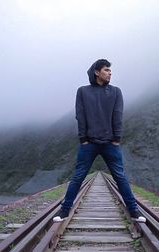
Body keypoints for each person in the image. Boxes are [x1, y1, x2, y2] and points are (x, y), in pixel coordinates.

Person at [52, 59, 146, 223]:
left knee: (120, 177)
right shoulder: (82, 91)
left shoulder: (116, 91)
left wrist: (117, 139)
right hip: (89, 143)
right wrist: (83, 139)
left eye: (110, 71)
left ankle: (134, 211)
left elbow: (118, 116)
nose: (110, 73)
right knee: (78, 177)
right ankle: (64, 210)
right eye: (106, 70)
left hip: (110, 143)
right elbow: (80, 116)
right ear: (97, 72)